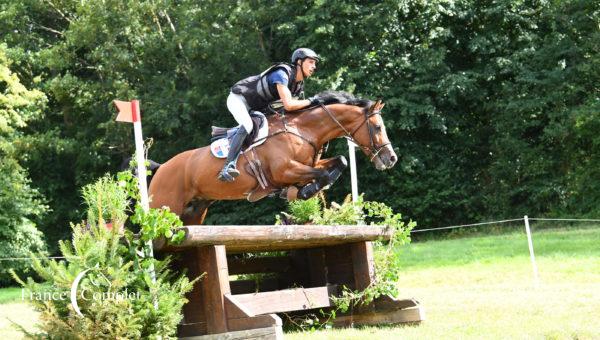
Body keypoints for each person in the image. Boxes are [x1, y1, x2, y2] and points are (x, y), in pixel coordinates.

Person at [218, 48, 320, 182]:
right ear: (299, 62)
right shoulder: (282, 73)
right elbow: (289, 105)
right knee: (248, 125)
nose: (314, 66)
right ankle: (227, 166)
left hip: (257, 107)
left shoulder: (298, 86)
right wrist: (313, 100)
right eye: (311, 62)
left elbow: (291, 111)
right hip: (239, 100)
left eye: (315, 63)